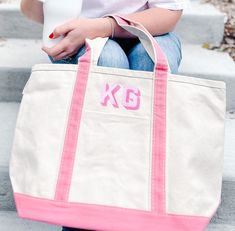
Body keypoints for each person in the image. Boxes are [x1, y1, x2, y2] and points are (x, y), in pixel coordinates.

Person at [20, 0, 189, 230]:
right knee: (108, 62)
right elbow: (33, 10)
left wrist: (106, 26)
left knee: (150, 60)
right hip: (79, 32)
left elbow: (169, 12)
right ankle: (88, 212)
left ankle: (140, 203)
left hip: (149, 27)